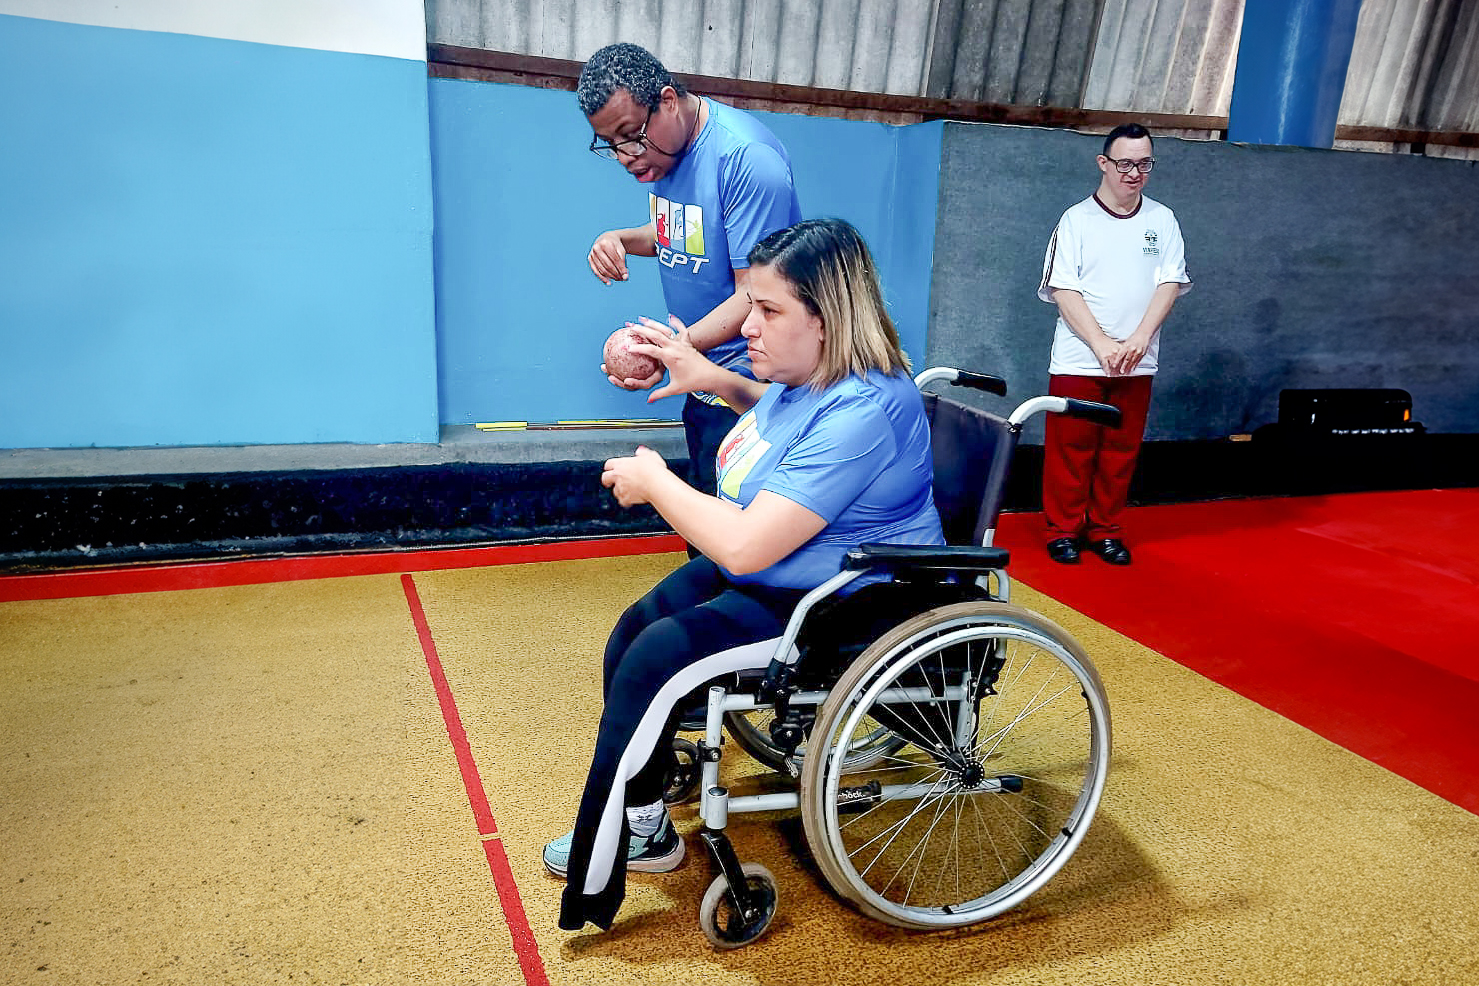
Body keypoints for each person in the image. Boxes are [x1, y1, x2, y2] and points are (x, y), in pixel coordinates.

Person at [543, 218, 944, 932]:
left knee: (656, 662)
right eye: (750, 306)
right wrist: (713, 379)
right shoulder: (810, 376)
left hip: (849, 598)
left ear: (827, 318)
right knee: (633, 631)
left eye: (767, 311)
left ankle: (598, 876)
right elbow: (787, 425)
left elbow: (745, 549)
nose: (746, 326)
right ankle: (644, 821)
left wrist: (657, 481)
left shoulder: (866, 406)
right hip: (796, 574)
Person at [576, 42, 802, 505]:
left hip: (757, 387)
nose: (624, 156)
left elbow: (756, 293)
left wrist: (671, 352)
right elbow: (682, 230)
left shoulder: (746, 161)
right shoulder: (663, 153)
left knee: (740, 539)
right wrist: (621, 238)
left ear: (667, 102)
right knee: (703, 525)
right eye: (611, 144)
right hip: (702, 376)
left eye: (630, 136)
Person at [1037, 124, 1191, 566]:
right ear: (1104, 164)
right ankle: (1062, 530)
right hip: (1080, 359)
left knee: (1119, 452)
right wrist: (1102, 343)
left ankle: (1105, 528)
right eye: (1125, 163)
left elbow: (1170, 282)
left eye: (1144, 164)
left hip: (1137, 362)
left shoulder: (1162, 219)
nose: (1134, 173)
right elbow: (1063, 289)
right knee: (1072, 450)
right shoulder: (1075, 220)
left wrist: (1140, 339)